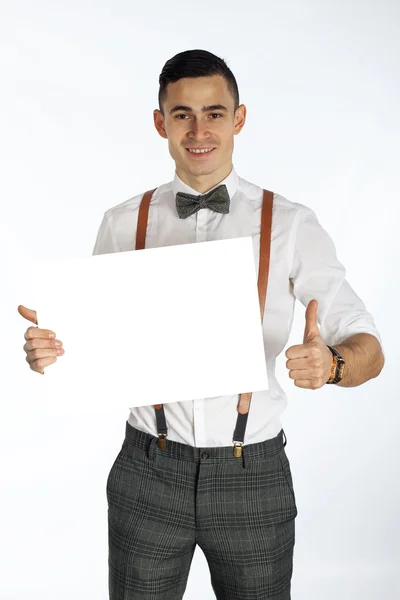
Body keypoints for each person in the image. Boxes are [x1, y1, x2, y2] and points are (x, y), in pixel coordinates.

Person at [18, 49, 385, 600]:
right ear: (160, 122)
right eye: (183, 113)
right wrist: (50, 350)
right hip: (147, 470)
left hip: (252, 475)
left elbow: (369, 347)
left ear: (238, 119)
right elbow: (96, 346)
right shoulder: (122, 223)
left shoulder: (289, 224)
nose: (199, 129)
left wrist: (332, 364)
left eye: (214, 112)